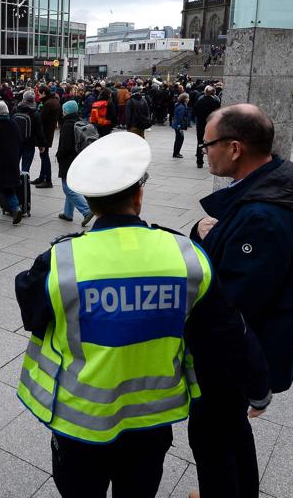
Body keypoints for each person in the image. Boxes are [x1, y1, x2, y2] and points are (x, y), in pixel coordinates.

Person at [15, 131, 271, 498]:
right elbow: (229, 331)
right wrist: (258, 386)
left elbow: (32, 315)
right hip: (151, 422)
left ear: (89, 202)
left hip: (80, 426)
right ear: (139, 195)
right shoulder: (185, 255)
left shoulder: (59, 260)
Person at [189, 104, 293, 498]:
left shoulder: (262, 216)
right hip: (242, 351)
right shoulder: (264, 189)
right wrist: (205, 234)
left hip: (233, 356)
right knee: (229, 431)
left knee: (212, 437)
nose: (204, 151)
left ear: (235, 148)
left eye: (207, 143)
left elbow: (232, 303)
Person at [54, 99, 93, 226]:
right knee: (71, 185)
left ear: (66, 111)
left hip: (68, 159)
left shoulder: (67, 124)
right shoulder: (79, 121)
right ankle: (68, 213)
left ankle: (86, 210)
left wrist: (58, 155)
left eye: (64, 109)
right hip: (78, 158)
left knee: (68, 188)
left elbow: (65, 146)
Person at [14, 90, 46, 176]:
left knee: (14, 164)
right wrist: (41, 144)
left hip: (16, 142)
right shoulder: (35, 114)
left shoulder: (16, 110)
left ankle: (14, 182)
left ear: (23, 99)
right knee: (26, 167)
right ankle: (24, 184)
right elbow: (39, 131)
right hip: (29, 143)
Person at [33, 85, 60, 187]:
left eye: (39, 93)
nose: (38, 95)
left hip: (45, 133)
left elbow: (40, 119)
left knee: (44, 156)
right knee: (43, 155)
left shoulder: (48, 103)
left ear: (44, 92)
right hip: (48, 133)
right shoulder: (53, 101)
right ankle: (42, 177)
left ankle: (47, 180)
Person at [193, 85, 221, 169]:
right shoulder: (216, 102)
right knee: (212, 143)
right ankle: (211, 162)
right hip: (211, 125)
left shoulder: (200, 101)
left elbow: (194, 111)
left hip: (201, 124)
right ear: (213, 93)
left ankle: (199, 161)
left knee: (200, 142)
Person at [172, 93, 190, 158]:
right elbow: (180, 117)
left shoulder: (180, 105)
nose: (188, 99)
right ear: (184, 99)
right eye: (187, 98)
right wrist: (180, 126)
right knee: (180, 139)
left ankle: (176, 153)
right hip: (178, 125)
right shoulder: (182, 107)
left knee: (178, 139)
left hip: (177, 125)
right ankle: (176, 153)